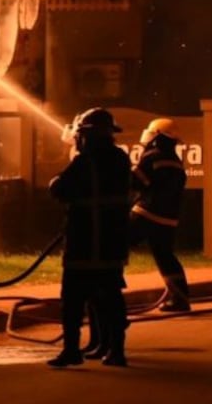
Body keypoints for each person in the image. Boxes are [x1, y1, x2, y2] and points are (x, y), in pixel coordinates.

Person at [47, 107, 132, 368]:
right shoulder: (120, 159)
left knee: (72, 300)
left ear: (87, 136)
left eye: (80, 135)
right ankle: (116, 350)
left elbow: (59, 188)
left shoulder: (84, 162)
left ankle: (72, 350)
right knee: (111, 298)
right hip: (111, 242)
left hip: (83, 242)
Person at [130, 117, 191, 312]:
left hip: (146, 212)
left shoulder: (151, 156)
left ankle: (103, 294)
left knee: (114, 245)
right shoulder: (176, 161)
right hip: (168, 218)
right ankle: (180, 299)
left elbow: (136, 183)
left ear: (156, 136)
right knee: (166, 256)